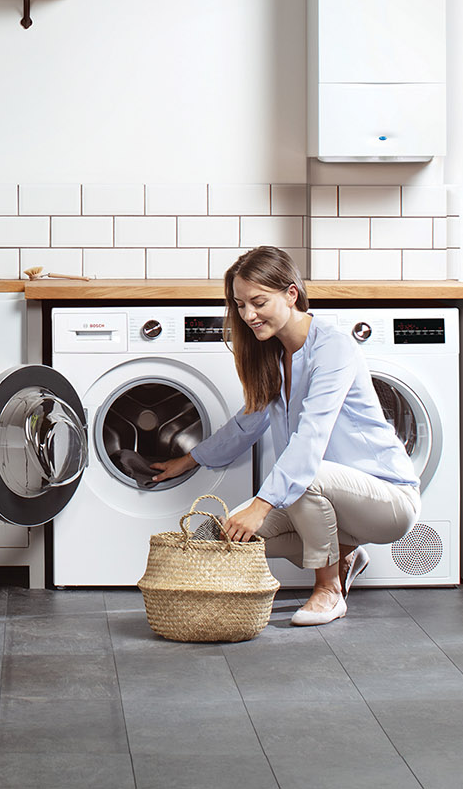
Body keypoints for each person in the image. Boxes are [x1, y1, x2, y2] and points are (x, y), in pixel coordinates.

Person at [149, 245, 421, 625]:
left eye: (258, 302)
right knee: (223, 536)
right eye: (240, 305)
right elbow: (247, 423)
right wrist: (187, 459)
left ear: (291, 294)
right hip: (328, 496)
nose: (248, 315)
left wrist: (261, 506)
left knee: (301, 477)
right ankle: (346, 554)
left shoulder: (333, 347)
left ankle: (329, 590)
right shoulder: (274, 356)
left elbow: (311, 438)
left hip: (387, 500)